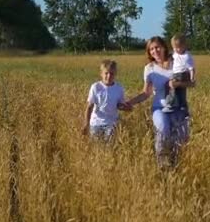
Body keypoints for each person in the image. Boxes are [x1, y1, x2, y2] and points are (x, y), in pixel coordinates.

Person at [126, 36, 195, 168]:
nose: (155, 51)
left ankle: (177, 169)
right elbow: (146, 93)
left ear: (164, 47)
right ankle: (162, 166)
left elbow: (192, 83)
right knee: (163, 129)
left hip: (179, 107)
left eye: (157, 47)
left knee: (181, 142)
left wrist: (176, 83)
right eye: (151, 49)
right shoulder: (149, 68)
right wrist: (130, 102)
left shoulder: (177, 61)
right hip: (159, 108)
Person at [82, 59, 131, 142]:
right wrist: (86, 123)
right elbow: (90, 106)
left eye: (112, 73)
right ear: (101, 74)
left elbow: (119, 105)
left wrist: (126, 108)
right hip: (95, 123)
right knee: (97, 147)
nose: (109, 76)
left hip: (111, 123)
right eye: (106, 73)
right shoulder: (96, 87)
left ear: (115, 74)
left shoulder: (119, 88)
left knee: (109, 146)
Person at [162, 34, 195, 113]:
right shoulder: (175, 53)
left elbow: (191, 68)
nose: (176, 49)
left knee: (172, 88)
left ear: (184, 46)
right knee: (181, 92)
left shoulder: (186, 56)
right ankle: (183, 108)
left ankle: (171, 104)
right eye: (174, 47)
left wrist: (192, 78)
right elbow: (171, 56)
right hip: (177, 73)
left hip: (181, 74)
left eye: (178, 47)